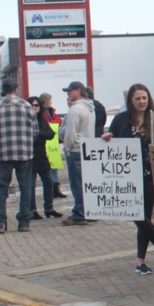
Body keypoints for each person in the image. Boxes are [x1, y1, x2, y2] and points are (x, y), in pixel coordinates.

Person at [104, 83, 154, 275]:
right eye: (138, 99)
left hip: (150, 174)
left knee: (145, 216)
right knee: (136, 215)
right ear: (131, 101)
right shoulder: (121, 120)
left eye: (144, 98)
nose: (142, 102)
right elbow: (112, 143)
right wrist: (106, 138)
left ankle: (139, 261)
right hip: (127, 176)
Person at [0, 80, 38, 234]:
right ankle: (24, 222)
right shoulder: (26, 105)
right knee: (25, 187)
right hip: (24, 152)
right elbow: (35, 131)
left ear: (3, 90)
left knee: (0, 188)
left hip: (2, 152)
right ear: (16, 89)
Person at [61, 81, 95, 226]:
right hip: (88, 147)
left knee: (77, 184)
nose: (68, 94)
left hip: (76, 149)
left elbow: (71, 133)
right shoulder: (90, 108)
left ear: (78, 91)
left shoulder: (75, 109)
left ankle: (79, 214)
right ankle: (88, 211)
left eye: (70, 91)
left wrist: (66, 148)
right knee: (86, 183)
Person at [27, 96, 60, 220]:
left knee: (49, 182)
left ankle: (49, 208)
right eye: (33, 105)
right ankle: (32, 210)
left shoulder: (41, 119)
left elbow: (51, 134)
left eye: (37, 105)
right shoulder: (26, 119)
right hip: (30, 156)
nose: (35, 108)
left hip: (42, 156)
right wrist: (40, 134)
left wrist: (38, 133)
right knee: (31, 185)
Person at [39, 93, 67, 199]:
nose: (51, 102)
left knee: (55, 165)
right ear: (45, 101)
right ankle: (52, 189)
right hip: (48, 142)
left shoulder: (51, 111)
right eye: (50, 100)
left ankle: (55, 188)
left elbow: (57, 121)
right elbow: (50, 122)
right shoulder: (43, 112)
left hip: (54, 141)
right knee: (50, 167)